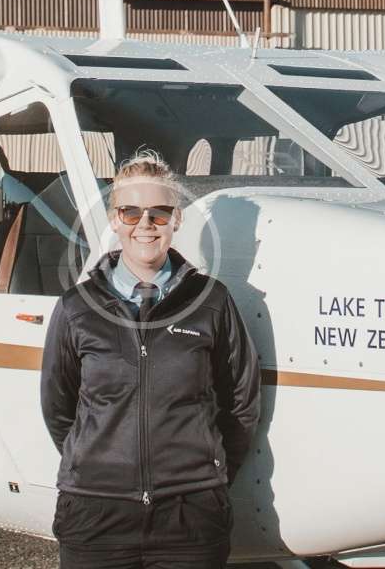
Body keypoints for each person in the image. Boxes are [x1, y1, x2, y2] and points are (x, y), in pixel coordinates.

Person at [40, 150, 261, 569]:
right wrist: (94, 466)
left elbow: (241, 402)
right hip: (95, 515)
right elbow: (58, 407)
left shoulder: (211, 302)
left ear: (176, 220)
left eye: (159, 213)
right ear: (114, 220)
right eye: (131, 212)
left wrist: (207, 477)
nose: (145, 224)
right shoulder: (76, 307)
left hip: (190, 519)